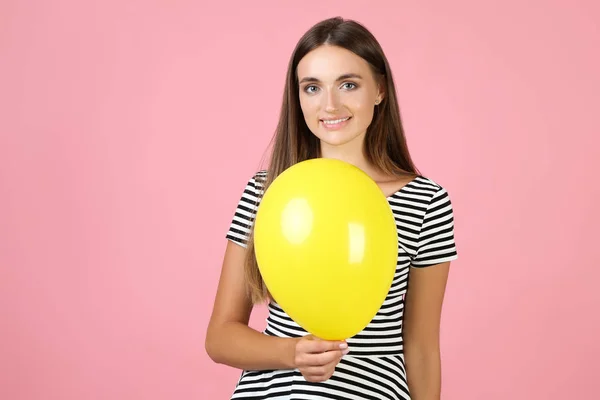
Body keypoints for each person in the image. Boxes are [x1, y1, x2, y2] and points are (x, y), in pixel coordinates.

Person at [206, 16, 458, 400]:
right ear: (299, 97)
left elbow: (422, 348)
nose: (330, 104)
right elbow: (220, 336)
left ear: (380, 90)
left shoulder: (426, 201)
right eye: (312, 88)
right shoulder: (267, 192)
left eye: (349, 84)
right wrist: (291, 352)